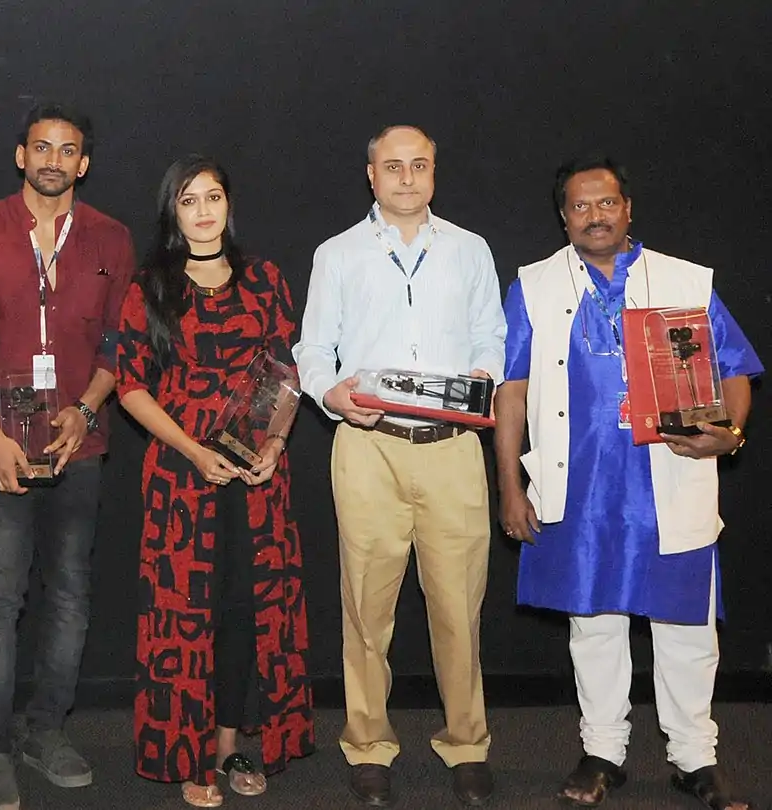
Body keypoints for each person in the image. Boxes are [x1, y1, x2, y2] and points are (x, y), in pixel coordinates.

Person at [494, 155, 760, 810]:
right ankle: (602, 751)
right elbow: (512, 389)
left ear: (628, 208)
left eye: (606, 202)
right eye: (580, 207)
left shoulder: (683, 281)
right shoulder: (533, 286)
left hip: (667, 480)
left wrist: (729, 433)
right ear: (564, 218)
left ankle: (696, 756)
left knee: (687, 626)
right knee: (594, 624)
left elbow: (735, 371)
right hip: (580, 487)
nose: (595, 215)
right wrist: (507, 483)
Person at [291, 125, 505, 807]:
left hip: (452, 450)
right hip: (368, 447)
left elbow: (492, 335)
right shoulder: (339, 254)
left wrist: (483, 374)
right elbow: (313, 347)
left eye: (419, 165)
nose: (407, 177)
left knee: (458, 608)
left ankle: (467, 743)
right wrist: (330, 393)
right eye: (393, 166)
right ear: (371, 176)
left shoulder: (469, 250)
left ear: (435, 172)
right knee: (365, 609)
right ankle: (368, 745)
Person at [0, 101, 136, 810]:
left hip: (79, 446)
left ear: (82, 163)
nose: (53, 160)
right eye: (41, 147)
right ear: (21, 155)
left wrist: (86, 410)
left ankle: (45, 730)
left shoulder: (112, 240)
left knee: (72, 598)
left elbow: (122, 342)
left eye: (68, 150)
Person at [116, 155, 315, 808]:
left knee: (244, 609)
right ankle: (188, 753)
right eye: (189, 201)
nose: (204, 211)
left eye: (214, 197)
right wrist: (191, 451)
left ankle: (229, 746)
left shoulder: (265, 280)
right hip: (182, 477)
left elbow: (287, 372)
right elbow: (132, 387)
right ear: (172, 212)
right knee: (185, 616)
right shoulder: (151, 285)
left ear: (230, 204)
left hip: (257, 476)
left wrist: (279, 442)